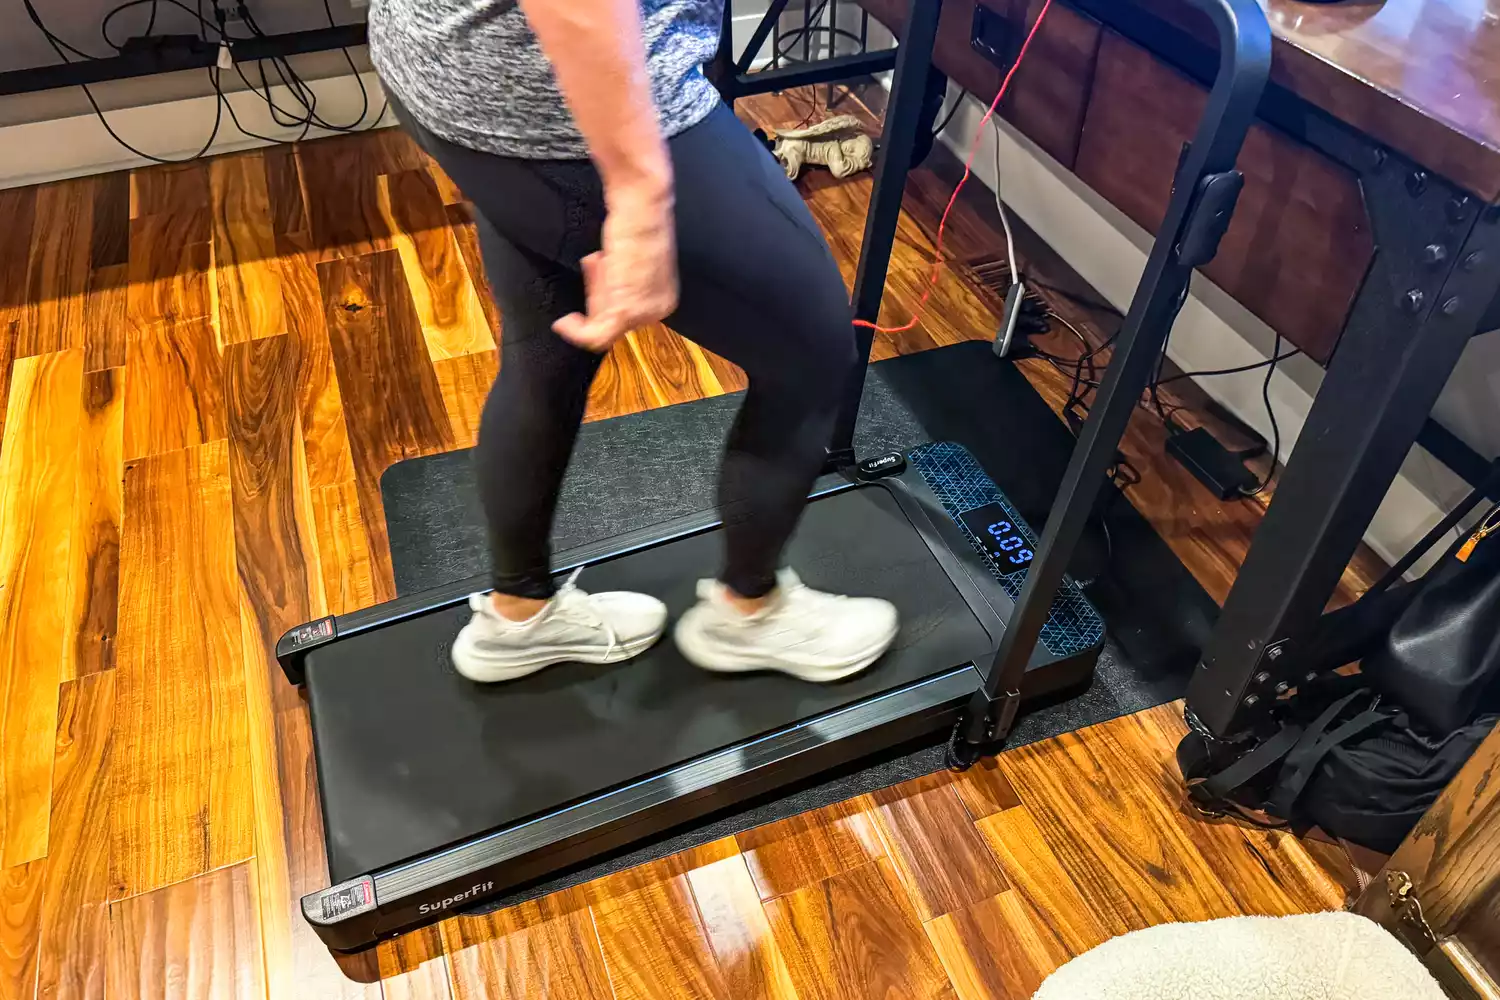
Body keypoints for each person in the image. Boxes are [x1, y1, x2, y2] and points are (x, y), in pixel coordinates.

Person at [368, 0, 899, 685]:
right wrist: (640, 197)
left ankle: (518, 616)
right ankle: (750, 614)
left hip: (449, 65)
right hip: (561, 94)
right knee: (813, 354)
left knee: (548, 344)